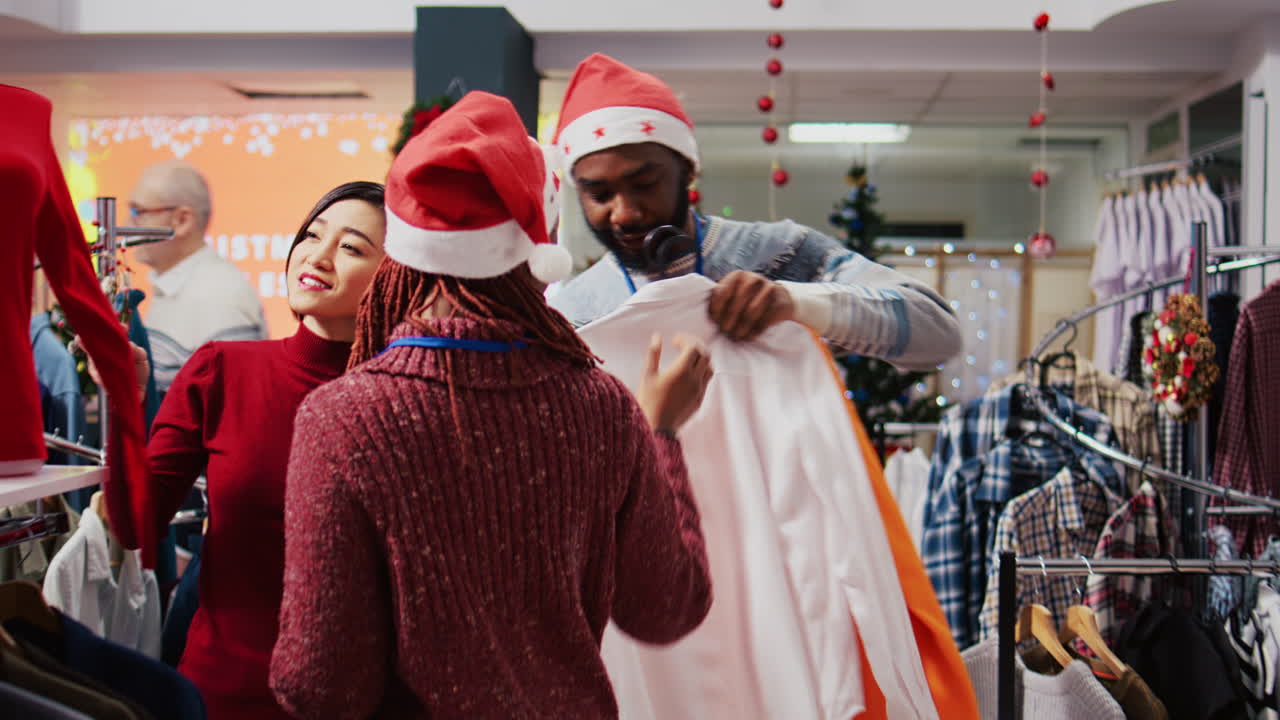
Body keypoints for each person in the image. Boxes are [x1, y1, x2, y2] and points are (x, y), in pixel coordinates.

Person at [270, 91, 714, 719]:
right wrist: (662, 431)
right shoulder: (605, 407)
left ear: (402, 251)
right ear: (536, 249)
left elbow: (322, 686)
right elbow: (668, 608)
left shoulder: (342, 417)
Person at [141, 181, 387, 719]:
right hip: (224, 692)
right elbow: (138, 523)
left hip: (362, 701)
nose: (317, 257)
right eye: (312, 235)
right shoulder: (223, 370)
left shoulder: (406, 402)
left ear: (393, 278)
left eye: (350, 247)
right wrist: (121, 397)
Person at [548, 53, 962, 372]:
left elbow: (940, 335)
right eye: (599, 194)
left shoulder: (783, 253)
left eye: (644, 185)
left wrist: (795, 303)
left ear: (688, 171)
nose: (625, 213)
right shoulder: (574, 313)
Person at [129, 160, 266, 393]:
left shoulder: (220, 297)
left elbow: (232, 407)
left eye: (139, 212)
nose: (128, 224)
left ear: (182, 220)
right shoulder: (177, 284)